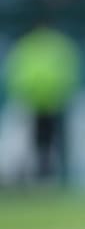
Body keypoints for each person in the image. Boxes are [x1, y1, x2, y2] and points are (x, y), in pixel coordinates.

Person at [4, 21, 80, 186]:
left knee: (49, 143)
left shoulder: (29, 45)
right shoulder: (55, 44)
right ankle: (34, 176)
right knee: (36, 143)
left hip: (50, 102)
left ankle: (49, 176)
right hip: (37, 102)